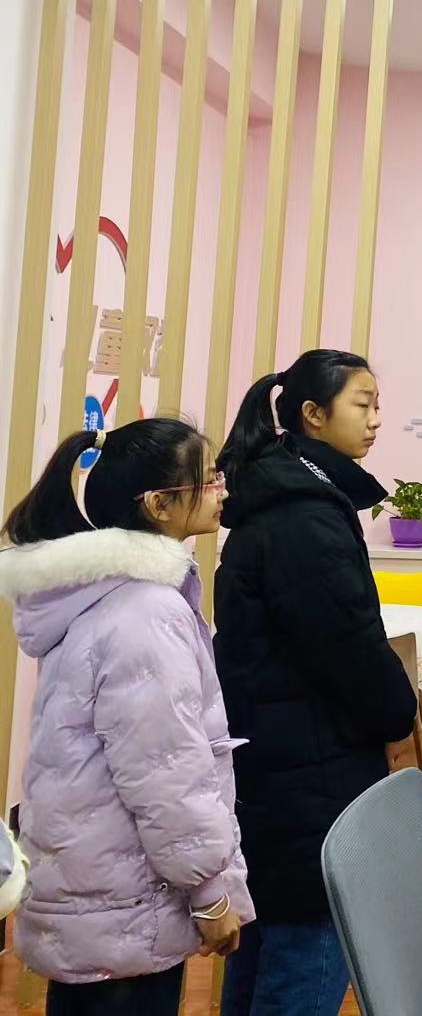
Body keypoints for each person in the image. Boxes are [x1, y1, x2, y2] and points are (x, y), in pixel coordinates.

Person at [0, 420, 250, 1014]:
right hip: (127, 901)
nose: (222, 491)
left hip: (96, 891)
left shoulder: (108, 594)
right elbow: (166, 774)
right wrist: (211, 894)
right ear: (159, 504)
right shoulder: (147, 611)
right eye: (208, 480)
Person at [214, 351, 419, 1016]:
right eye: (363, 403)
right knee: (307, 946)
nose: (376, 419)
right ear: (313, 414)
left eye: (377, 404)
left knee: (267, 943)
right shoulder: (303, 516)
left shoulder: (289, 496)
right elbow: (348, 646)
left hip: (283, 761)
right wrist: (399, 711)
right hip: (309, 770)